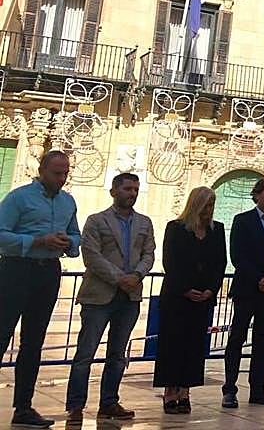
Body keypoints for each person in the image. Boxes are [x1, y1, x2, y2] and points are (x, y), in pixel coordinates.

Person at [66, 172, 155, 423]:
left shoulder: (144, 223)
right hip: (99, 296)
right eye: (127, 189)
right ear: (114, 191)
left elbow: (149, 253)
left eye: (136, 189)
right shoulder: (96, 221)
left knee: (117, 353)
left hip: (130, 297)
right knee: (85, 352)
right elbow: (91, 255)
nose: (132, 193)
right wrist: (120, 278)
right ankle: (75, 404)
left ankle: (109, 402)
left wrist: (136, 275)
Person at [0, 150, 80, 428]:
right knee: (2, 333)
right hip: (17, 270)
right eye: (57, 173)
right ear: (42, 170)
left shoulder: (68, 201)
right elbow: (1, 234)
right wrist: (36, 241)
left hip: (48, 273)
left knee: (33, 342)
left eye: (65, 173)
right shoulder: (19, 198)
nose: (61, 178)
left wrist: (68, 243)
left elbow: (75, 234)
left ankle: (23, 407)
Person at [153, 187, 225, 415]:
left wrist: (211, 290)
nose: (208, 210)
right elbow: (170, 261)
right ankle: (169, 390)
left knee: (194, 346)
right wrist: (185, 289)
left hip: (203, 297)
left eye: (212, 205)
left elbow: (220, 263)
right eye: (205, 205)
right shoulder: (176, 228)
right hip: (177, 296)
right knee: (172, 344)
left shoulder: (217, 230)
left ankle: (186, 390)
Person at [222, 177, 264, 408]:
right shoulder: (242, 221)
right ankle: (229, 388)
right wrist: (258, 278)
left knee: (262, 340)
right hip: (248, 289)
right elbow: (238, 256)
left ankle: (258, 389)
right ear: (257, 195)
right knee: (237, 338)